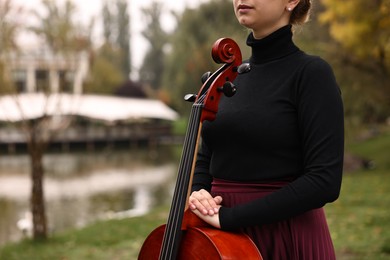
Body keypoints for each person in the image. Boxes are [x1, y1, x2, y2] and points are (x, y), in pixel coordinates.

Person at [188, 0, 344, 259]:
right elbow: (207, 154)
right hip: (219, 239)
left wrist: (231, 217)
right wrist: (199, 193)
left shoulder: (312, 74)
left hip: (283, 236)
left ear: (291, 2)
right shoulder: (228, 77)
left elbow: (323, 181)